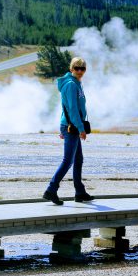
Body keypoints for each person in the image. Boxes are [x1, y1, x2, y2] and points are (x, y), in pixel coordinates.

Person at [43, 57, 95, 205]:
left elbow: (69, 107)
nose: (80, 71)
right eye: (77, 68)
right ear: (71, 68)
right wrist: (80, 129)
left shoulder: (77, 83)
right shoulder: (71, 85)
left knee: (78, 159)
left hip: (69, 125)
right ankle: (51, 190)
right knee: (68, 160)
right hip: (72, 126)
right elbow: (72, 109)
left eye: (82, 68)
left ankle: (80, 192)